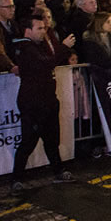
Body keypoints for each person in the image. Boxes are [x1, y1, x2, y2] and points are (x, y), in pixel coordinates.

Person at [10, 14, 76, 191]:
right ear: (28, 30)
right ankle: (17, 178)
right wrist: (64, 47)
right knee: (28, 142)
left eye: (44, 28)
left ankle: (58, 170)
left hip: (48, 100)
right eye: (39, 28)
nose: (43, 32)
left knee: (52, 139)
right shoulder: (25, 48)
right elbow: (46, 63)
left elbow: (50, 59)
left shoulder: (38, 46)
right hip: (32, 102)